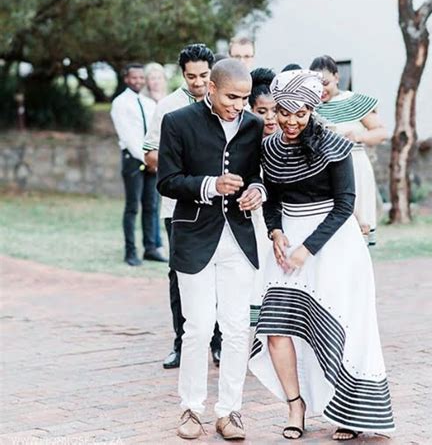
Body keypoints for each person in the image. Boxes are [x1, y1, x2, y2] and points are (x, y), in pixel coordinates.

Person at [248, 70, 395, 441]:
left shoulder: (335, 143)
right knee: (275, 329)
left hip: (334, 246)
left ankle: (350, 413)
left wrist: (307, 250)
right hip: (286, 245)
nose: (291, 120)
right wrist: (276, 231)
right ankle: (295, 406)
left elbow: (345, 205)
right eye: (284, 112)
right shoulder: (268, 148)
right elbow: (272, 200)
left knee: (343, 329)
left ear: (312, 109)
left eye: (300, 113)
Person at [158, 58, 266, 441]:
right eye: (232, 97)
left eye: (245, 98)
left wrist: (257, 191)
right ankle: (190, 408)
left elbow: (256, 175)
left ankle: (230, 411)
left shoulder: (254, 126)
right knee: (198, 327)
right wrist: (209, 185)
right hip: (193, 238)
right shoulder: (178, 122)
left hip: (238, 238)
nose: (239, 105)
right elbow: (167, 181)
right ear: (212, 89)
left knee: (238, 329)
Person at [143, 45, 222, 369]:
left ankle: (218, 343)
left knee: (217, 272)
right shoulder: (167, 107)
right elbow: (149, 155)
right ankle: (180, 342)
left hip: (217, 204)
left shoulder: (223, 102)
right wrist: (177, 164)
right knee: (179, 276)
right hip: (176, 207)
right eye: (191, 76)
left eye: (204, 75)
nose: (198, 82)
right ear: (182, 74)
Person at [310, 55, 387, 246]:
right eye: (316, 84)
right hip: (325, 171)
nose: (322, 90)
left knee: (359, 227)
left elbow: (381, 132)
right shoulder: (311, 107)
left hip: (356, 166)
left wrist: (357, 137)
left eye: (325, 83)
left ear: (337, 77)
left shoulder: (353, 100)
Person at [110, 63, 164, 266]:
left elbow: (154, 132)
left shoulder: (149, 103)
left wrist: (155, 159)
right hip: (133, 160)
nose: (138, 81)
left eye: (141, 78)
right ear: (126, 79)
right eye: (134, 77)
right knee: (133, 207)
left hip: (151, 160)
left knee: (151, 206)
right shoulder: (120, 103)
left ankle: (150, 248)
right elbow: (128, 136)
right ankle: (130, 251)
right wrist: (146, 159)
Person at [248, 68, 277, 326]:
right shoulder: (246, 144)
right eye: (262, 111)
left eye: (275, 111)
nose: (270, 118)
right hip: (255, 222)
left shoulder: (289, 141)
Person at [142, 63, 169, 261]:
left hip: (167, 158)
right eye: (152, 78)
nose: (155, 81)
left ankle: (159, 242)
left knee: (164, 204)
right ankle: (151, 244)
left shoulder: (170, 101)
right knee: (150, 204)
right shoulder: (143, 101)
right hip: (152, 158)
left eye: (159, 77)